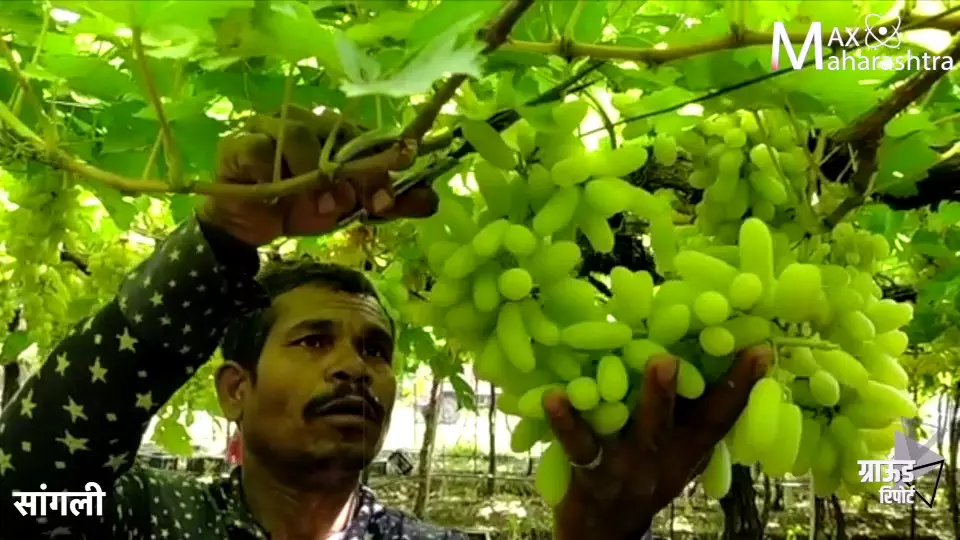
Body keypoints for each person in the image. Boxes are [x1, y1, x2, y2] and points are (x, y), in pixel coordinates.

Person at [0, 106, 771, 540]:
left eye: (374, 348)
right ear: (234, 387)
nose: (353, 367)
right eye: (312, 340)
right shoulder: (141, 521)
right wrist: (221, 240)